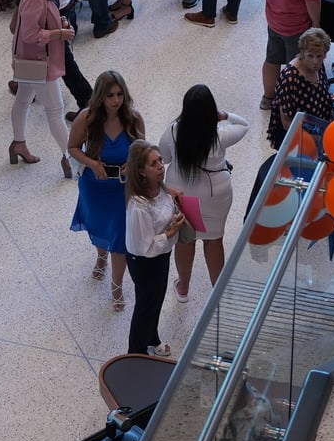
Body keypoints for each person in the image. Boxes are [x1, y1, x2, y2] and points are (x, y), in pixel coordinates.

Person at [158, 86, 247, 299]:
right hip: (215, 195)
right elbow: (244, 125)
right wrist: (224, 115)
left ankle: (183, 288)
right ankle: (218, 293)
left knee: (185, 238)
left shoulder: (173, 131)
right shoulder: (220, 134)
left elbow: (164, 158)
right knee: (214, 240)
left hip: (183, 194)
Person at [69, 70, 142, 310]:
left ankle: (116, 287)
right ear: (100, 96)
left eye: (120, 94)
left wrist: (132, 163)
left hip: (122, 188)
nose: (116, 100)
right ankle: (101, 256)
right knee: (98, 226)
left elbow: (142, 149)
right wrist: (92, 163)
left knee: (119, 238)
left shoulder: (133, 118)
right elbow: (73, 147)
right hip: (94, 186)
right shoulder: (87, 118)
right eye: (110, 95)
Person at [9, 0, 77, 174]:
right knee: (55, 110)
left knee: (23, 99)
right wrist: (59, 33)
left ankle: (18, 143)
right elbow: (30, 34)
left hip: (29, 61)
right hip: (39, 62)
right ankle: (70, 157)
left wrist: (59, 23)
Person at [122, 142, 186, 357]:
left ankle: (151, 337)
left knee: (156, 300)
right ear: (141, 171)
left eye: (160, 160)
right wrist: (170, 232)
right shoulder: (138, 206)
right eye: (153, 163)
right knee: (145, 305)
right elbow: (144, 246)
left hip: (161, 255)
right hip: (145, 261)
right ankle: (136, 352)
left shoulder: (161, 188)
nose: (160, 166)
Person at [267, 27, 334, 146]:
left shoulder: (318, 66)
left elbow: (318, 90)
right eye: (310, 56)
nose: (315, 61)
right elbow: (287, 123)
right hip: (299, 139)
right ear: (302, 53)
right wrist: (316, 139)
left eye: (319, 56)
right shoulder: (290, 78)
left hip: (319, 128)